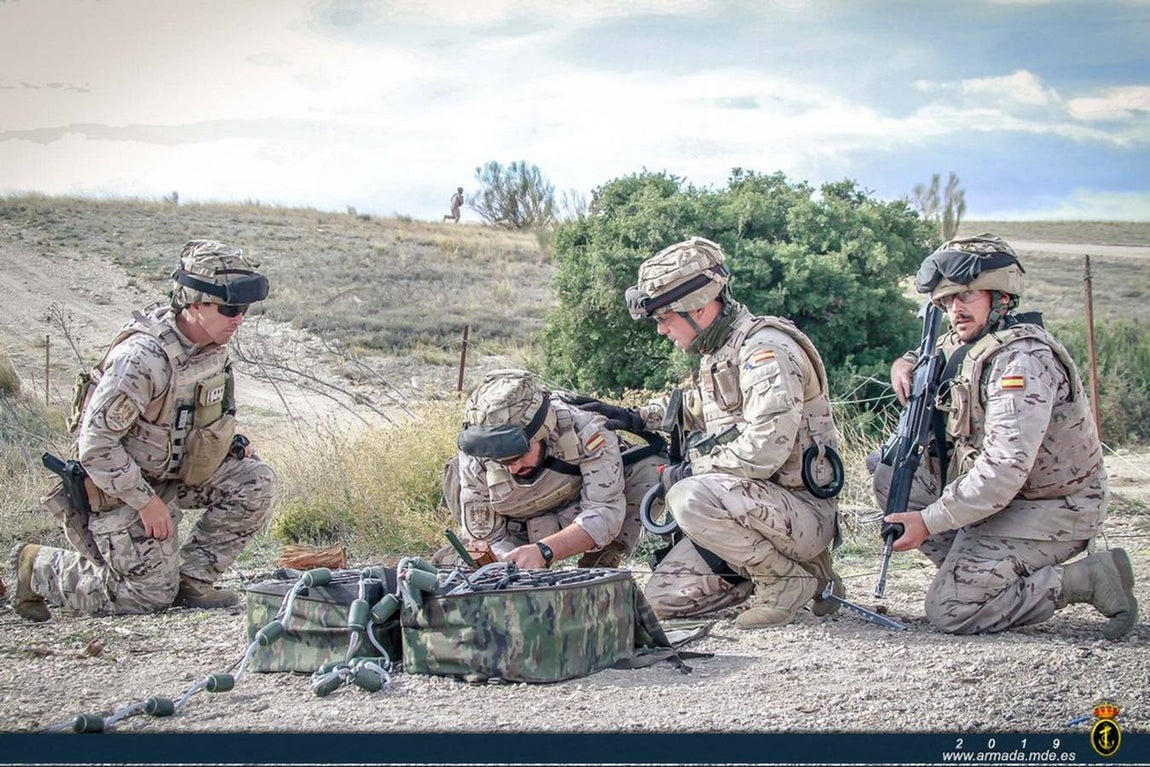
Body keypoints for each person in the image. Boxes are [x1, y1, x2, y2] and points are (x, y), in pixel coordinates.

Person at [874, 233, 1137, 639]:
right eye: (946, 301)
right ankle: (976, 575)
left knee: (950, 610)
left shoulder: (1023, 360)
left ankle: (1085, 579)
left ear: (1001, 296)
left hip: (1052, 508)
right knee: (888, 473)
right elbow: (941, 352)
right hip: (1004, 504)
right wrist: (904, 363)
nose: (955, 308)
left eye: (966, 295)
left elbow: (1004, 470)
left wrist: (927, 522)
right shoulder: (974, 341)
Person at [10, 240, 278, 621]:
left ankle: (190, 579)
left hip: (172, 473)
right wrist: (146, 503)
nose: (239, 319)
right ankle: (37, 566)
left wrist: (230, 441)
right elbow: (96, 446)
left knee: (255, 479)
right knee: (144, 599)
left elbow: (196, 413)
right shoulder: (143, 360)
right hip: (119, 489)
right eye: (230, 309)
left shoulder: (211, 344)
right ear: (196, 304)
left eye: (245, 309)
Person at [586, 237, 845, 629]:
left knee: (688, 496)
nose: (661, 330)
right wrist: (637, 416)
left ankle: (785, 581)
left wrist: (692, 471)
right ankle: (802, 573)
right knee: (660, 603)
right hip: (753, 510)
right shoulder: (723, 349)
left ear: (700, 307)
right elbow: (708, 408)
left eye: (664, 318)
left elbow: (764, 449)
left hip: (800, 513)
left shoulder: (765, 350)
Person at [441, 368, 662, 569]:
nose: (513, 468)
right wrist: (510, 565)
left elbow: (604, 511)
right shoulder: (475, 457)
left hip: (575, 512)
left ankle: (602, 557)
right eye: (502, 462)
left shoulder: (585, 430)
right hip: (517, 529)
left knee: (652, 467)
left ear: (542, 433)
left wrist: (545, 550)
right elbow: (489, 538)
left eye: (518, 456)